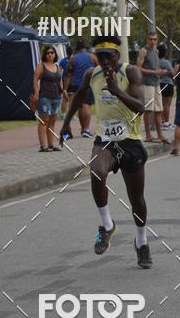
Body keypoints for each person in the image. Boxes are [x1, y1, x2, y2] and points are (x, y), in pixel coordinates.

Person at [60, 35, 152, 268]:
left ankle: (141, 242)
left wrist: (116, 90)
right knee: (96, 171)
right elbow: (79, 96)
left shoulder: (131, 72)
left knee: (136, 198)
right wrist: (66, 124)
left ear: (117, 55)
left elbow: (140, 108)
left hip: (130, 141)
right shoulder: (92, 74)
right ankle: (107, 224)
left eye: (108, 57)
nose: (104, 61)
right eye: (100, 57)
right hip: (106, 140)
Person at [137, 31, 170, 143]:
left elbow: (155, 67)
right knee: (148, 110)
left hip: (157, 83)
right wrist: (153, 72)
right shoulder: (143, 51)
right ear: (147, 39)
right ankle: (148, 135)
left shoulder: (156, 51)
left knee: (159, 109)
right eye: (151, 39)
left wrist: (161, 71)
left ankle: (160, 135)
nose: (153, 41)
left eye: (155, 39)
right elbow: (138, 68)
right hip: (147, 83)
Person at [33, 46, 63, 152]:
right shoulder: (41, 66)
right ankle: (43, 146)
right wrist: (36, 92)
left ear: (55, 54)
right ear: (45, 55)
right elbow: (35, 78)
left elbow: (60, 79)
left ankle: (51, 145)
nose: (50, 54)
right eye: (48, 53)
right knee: (44, 121)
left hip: (57, 97)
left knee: (52, 121)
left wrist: (62, 90)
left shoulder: (57, 66)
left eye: (52, 52)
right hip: (45, 97)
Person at [64, 40, 96, 137]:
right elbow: (99, 69)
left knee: (81, 106)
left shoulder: (72, 58)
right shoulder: (92, 56)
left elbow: (68, 75)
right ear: (85, 48)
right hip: (89, 84)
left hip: (76, 86)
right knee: (86, 106)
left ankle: (83, 129)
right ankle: (86, 129)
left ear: (77, 48)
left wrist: (65, 89)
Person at [157, 42, 174, 129]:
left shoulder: (155, 62)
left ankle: (162, 121)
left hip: (159, 84)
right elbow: (172, 73)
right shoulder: (166, 62)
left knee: (161, 104)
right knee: (167, 105)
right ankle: (166, 123)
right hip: (167, 84)